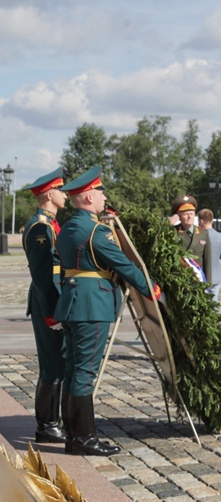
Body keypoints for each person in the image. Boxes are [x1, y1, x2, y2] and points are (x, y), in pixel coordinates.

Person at [55, 166, 158, 456]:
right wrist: (155, 290)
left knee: (73, 369)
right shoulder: (97, 231)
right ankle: (84, 439)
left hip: (72, 302)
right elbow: (124, 266)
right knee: (85, 372)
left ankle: (73, 436)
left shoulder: (68, 229)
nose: (104, 196)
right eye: (99, 192)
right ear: (88, 198)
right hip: (93, 305)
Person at [22, 168, 68, 444]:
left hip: (51, 298)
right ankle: (47, 425)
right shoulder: (41, 227)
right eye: (61, 190)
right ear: (49, 194)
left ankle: (51, 422)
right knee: (52, 364)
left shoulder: (49, 224)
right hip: (46, 301)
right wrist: (53, 314)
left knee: (57, 363)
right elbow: (42, 276)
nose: (65, 195)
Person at [170, 195, 212, 279]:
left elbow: (207, 260)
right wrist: (169, 224)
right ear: (179, 216)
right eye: (185, 214)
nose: (189, 217)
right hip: (179, 280)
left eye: (191, 214)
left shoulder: (203, 234)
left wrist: (208, 283)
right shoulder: (173, 232)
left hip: (198, 280)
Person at [198, 209, 221, 301]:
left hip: (201, 276)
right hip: (216, 276)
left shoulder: (199, 236)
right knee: (214, 304)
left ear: (201, 221)